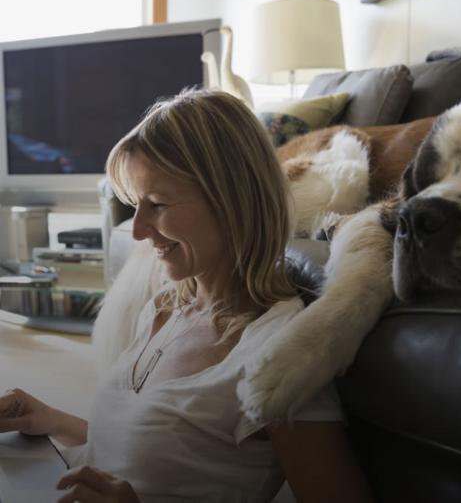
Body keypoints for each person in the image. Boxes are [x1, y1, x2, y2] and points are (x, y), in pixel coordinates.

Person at [0, 90, 373, 502]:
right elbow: (145, 462)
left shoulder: (279, 358)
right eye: (136, 205)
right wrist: (51, 420)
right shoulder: (166, 307)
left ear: (230, 200)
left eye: (157, 204)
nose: (139, 230)